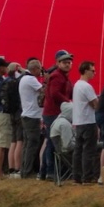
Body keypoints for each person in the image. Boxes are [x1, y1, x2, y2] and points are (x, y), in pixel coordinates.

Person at [43, 50, 74, 181]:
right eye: (64, 62)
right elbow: (55, 93)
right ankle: (49, 171)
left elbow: (69, 93)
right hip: (53, 113)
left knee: (53, 141)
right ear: (58, 63)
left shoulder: (64, 77)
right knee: (52, 142)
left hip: (58, 112)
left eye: (69, 62)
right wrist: (68, 102)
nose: (67, 65)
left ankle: (46, 171)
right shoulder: (57, 76)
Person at [71, 61, 99, 184]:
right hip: (88, 121)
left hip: (79, 121)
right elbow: (95, 103)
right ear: (86, 70)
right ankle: (87, 177)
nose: (94, 73)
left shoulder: (77, 85)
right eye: (92, 70)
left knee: (78, 150)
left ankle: (76, 176)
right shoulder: (87, 86)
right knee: (89, 150)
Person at [19, 59, 44, 179]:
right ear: (34, 69)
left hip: (26, 114)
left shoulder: (23, 79)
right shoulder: (31, 79)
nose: (41, 71)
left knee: (26, 144)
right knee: (32, 144)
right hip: (32, 115)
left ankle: (24, 169)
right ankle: (28, 171)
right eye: (40, 69)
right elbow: (43, 91)